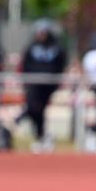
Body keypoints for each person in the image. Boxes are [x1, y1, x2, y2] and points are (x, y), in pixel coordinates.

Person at [18, 21, 67, 153]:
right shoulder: (31, 48)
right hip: (34, 85)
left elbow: (60, 65)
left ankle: (42, 136)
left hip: (48, 86)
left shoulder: (56, 48)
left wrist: (56, 82)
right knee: (33, 108)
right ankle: (41, 135)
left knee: (41, 110)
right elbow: (25, 65)